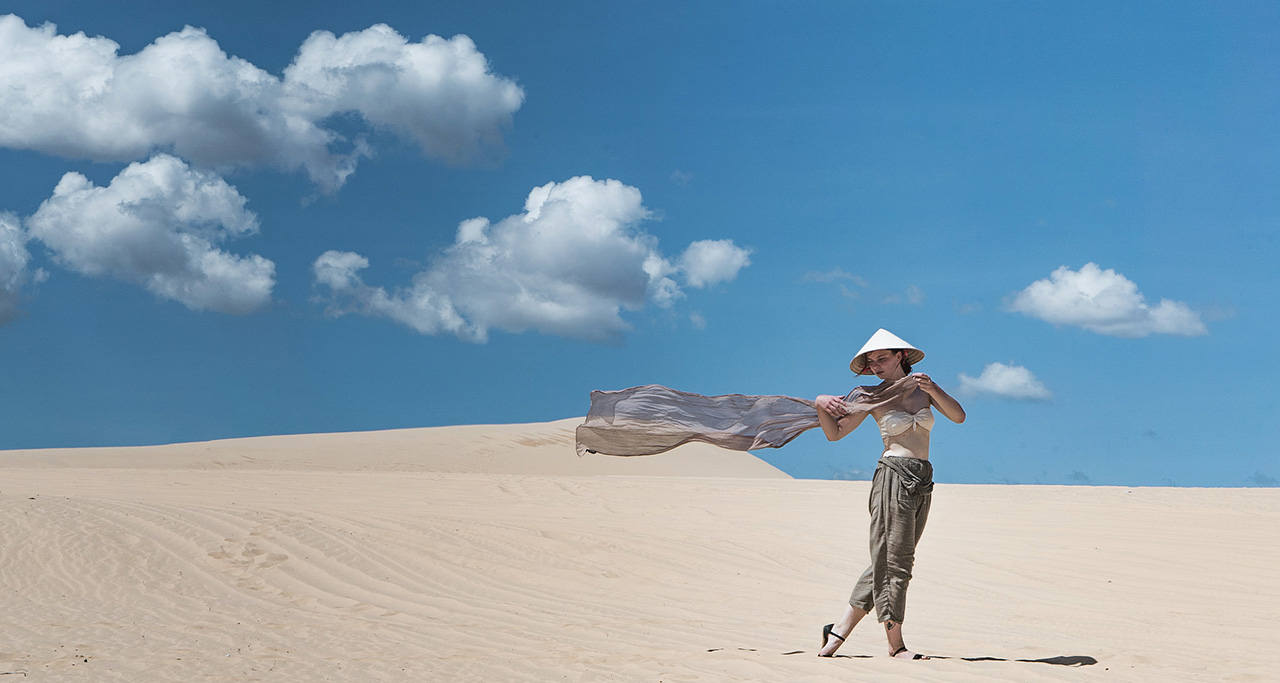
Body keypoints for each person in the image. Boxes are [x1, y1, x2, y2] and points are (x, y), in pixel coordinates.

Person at [813, 328, 965, 660]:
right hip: (893, 477)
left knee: (888, 560)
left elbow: (958, 416)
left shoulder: (923, 392)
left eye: (882, 358)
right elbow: (835, 434)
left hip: (923, 478)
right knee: (898, 564)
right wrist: (820, 404)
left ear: (900, 356)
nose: (877, 366)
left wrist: (933, 387)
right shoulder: (871, 397)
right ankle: (897, 646)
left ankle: (837, 633)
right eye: (871, 362)